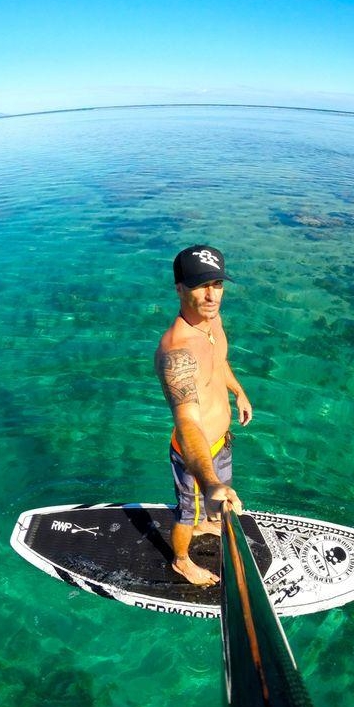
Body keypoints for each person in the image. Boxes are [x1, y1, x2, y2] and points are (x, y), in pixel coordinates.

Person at [154, 245, 253, 586]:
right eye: (200, 285)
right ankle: (181, 560)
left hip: (221, 444)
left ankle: (203, 523)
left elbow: (218, 362)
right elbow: (188, 423)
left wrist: (237, 391)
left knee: (210, 502)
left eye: (218, 284)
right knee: (185, 512)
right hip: (193, 457)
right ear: (179, 288)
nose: (212, 295)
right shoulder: (177, 352)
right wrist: (207, 481)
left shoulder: (212, 320)